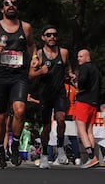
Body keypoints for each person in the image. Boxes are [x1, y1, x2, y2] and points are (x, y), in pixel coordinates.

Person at [0, 0, 38, 168]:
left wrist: (35, 57)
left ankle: (14, 145)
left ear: (17, 8)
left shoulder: (26, 27)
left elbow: (31, 45)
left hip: (19, 75)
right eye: (7, 3)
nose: (10, 5)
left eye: (13, 3)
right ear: (2, 9)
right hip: (0, 75)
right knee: (0, 117)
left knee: (20, 110)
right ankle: (0, 148)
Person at [28, 25, 76, 169]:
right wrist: (40, 72)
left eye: (54, 34)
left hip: (60, 93)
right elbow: (30, 75)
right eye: (48, 35)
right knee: (47, 128)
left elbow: (68, 69)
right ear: (43, 37)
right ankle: (44, 155)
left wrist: (71, 75)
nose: (52, 37)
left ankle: (60, 148)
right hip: (45, 94)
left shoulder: (64, 52)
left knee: (61, 120)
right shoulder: (40, 54)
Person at [74, 49, 101, 168]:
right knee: (89, 129)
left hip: (84, 101)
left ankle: (91, 157)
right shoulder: (96, 69)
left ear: (87, 57)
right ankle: (93, 157)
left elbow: (83, 81)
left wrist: (77, 84)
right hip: (94, 102)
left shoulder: (85, 68)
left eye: (80, 56)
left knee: (81, 128)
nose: (78, 58)